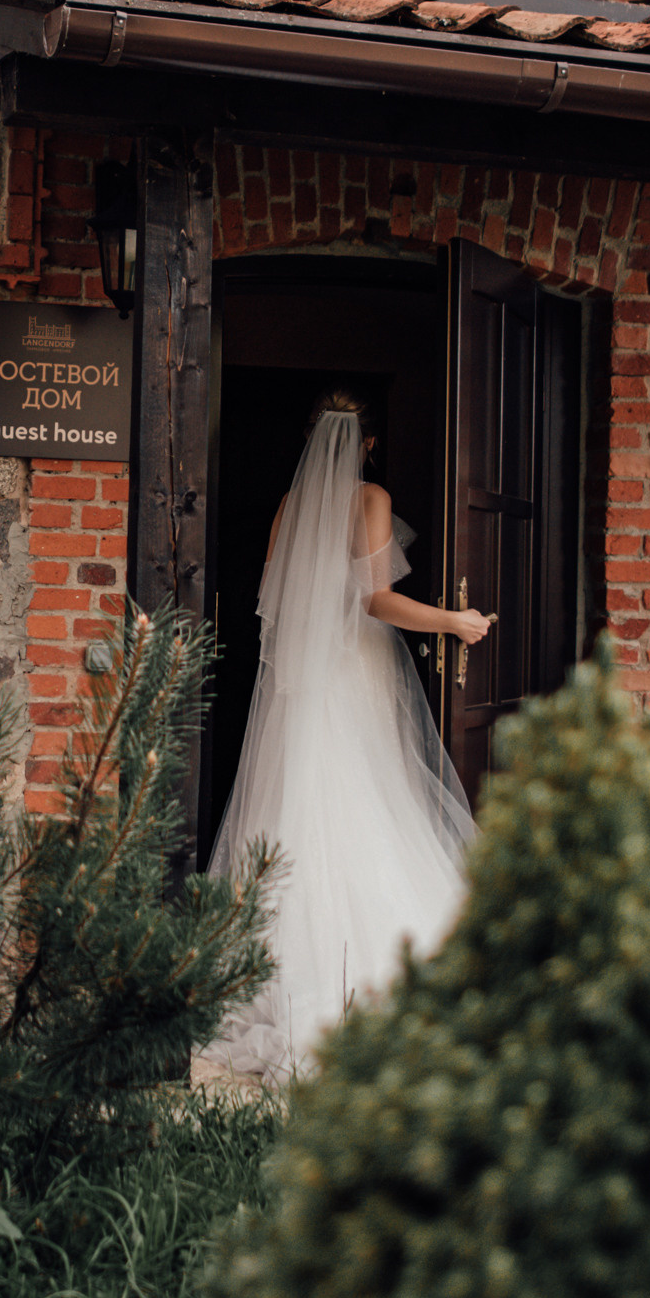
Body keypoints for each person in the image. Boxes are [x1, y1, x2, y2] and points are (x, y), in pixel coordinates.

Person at [203, 389, 488, 1081]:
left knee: (300, 804)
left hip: (303, 685)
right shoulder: (371, 498)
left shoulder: (288, 507)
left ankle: (271, 962)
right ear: (367, 443)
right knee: (367, 798)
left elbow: (271, 598)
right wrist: (455, 621)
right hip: (353, 672)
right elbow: (375, 599)